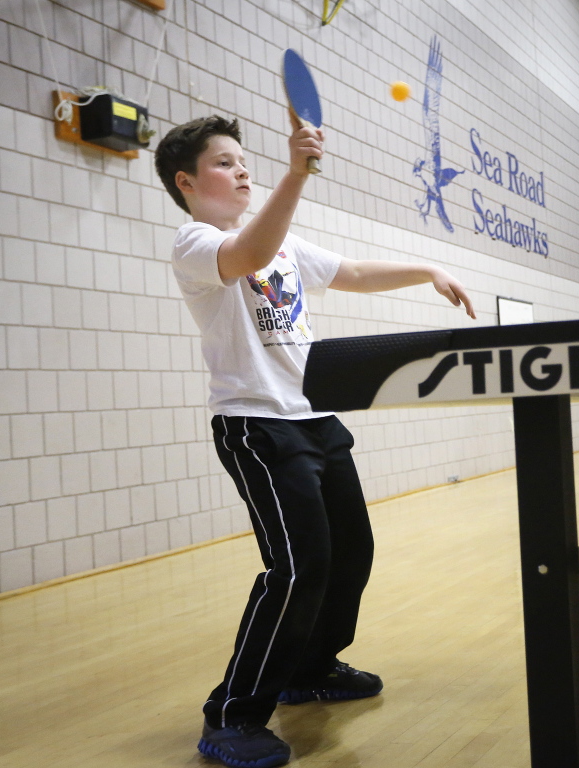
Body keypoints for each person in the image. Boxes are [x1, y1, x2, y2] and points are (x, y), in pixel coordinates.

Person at [154, 114, 475, 768]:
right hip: (256, 424)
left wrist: (427, 268)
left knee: (350, 551)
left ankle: (311, 667)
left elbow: (352, 271)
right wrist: (296, 173)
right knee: (298, 567)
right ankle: (234, 714)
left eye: (244, 159)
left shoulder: (286, 244)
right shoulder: (195, 241)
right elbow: (244, 256)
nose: (242, 169)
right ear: (186, 182)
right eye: (224, 162)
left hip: (314, 418)